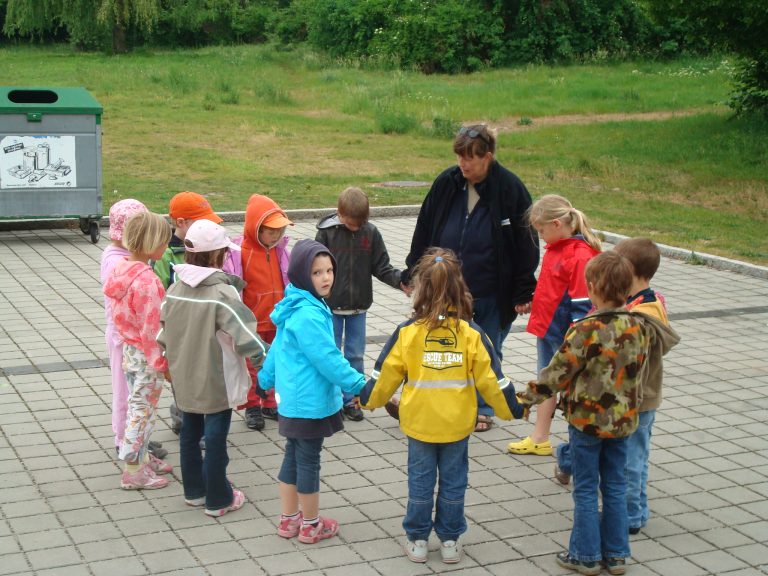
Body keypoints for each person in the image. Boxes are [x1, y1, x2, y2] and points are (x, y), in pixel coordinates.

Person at [360, 248, 527, 564]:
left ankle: (418, 540)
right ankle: (449, 541)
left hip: (420, 426)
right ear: (460, 288)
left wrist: (368, 400)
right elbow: (494, 380)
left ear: (420, 288)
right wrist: (513, 410)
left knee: (420, 486)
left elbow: (384, 375)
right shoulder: (471, 334)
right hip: (457, 427)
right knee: (453, 485)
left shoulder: (407, 333)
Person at [516, 251, 651, 576]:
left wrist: (526, 398)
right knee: (616, 485)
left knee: (587, 488)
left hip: (587, 422)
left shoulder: (585, 329)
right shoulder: (639, 327)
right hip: (623, 422)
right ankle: (617, 555)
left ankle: (585, 555)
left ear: (592, 288)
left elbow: (557, 373)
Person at [401, 124, 539, 432]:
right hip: (444, 287)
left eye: (471, 158)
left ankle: (483, 407)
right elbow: (424, 225)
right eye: (460, 156)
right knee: (438, 344)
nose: (463, 164)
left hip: (492, 290)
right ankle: (437, 401)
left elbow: (526, 242)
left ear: (488, 157)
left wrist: (523, 289)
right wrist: (414, 271)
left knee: (487, 349)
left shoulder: (510, 189)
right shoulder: (447, 183)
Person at [553, 238, 680, 538]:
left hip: (635, 400)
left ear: (630, 271)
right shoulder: (645, 303)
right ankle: (629, 506)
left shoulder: (641, 316)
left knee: (630, 462)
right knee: (629, 457)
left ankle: (630, 516)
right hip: (631, 399)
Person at [158, 220, 269, 517]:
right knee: (217, 436)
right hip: (214, 376)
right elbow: (246, 335)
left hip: (184, 375)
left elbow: (162, 332)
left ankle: (194, 491)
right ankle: (219, 497)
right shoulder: (222, 293)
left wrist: (165, 361)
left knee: (190, 433)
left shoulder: (175, 289)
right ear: (218, 255)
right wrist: (268, 365)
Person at [258, 239, 366, 544]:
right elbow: (328, 359)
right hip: (309, 402)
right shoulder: (308, 314)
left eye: (329, 270)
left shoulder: (295, 304)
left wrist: (265, 379)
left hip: (292, 402)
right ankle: (310, 525)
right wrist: (359, 385)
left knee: (293, 457)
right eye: (317, 272)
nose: (326, 277)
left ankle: (288, 521)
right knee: (308, 461)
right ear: (303, 275)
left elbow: (277, 350)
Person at [508, 194, 601, 456]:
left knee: (571, 390)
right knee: (545, 382)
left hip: (565, 337)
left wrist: (575, 342)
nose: (541, 236)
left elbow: (583, 305)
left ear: (558, 224)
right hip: (548, 330)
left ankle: (579, 447)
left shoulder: (581, 256)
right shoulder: (557, 249)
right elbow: (552, 289)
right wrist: (533, 302)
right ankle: (540, 437)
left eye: (541, 230)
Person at [153, 191, 238, 433]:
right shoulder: (166, 254)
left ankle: (192, 422)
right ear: (181, 223)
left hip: (203, 322)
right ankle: (184, 419)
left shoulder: (207, 244)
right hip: (180, 323)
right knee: (185, 376)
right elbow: (160, 290)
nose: (207, 225)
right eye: (201, 220)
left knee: (200, 374)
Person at [315, 186, 402, 421]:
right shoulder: (326, 233)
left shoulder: (370, 233)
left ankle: (352, 399)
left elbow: (382, 266)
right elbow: (315, 268)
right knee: (330, 354)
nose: (356, 228)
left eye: (360, 223)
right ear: (339, 214)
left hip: (358, 306)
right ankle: (330, 401)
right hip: (330, 306)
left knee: (355, 354)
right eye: (352, 223)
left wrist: (401, 282)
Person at [103, 211, 174, 490]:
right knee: (142, 411)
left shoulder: (121, 268)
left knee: (138, 405)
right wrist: (162, 363)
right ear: (150, 244)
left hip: (130, 350)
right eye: (163, 242)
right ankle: (133, 468)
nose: (166, 247)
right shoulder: (147, 282)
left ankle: (142, 457)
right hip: (147, 355)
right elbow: (152, 328)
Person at [239, 194, 292, 431]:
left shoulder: (281, 251)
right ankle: (252, 405)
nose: (276, 236)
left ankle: (270, 402)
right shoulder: (241, 253)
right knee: (252, 367)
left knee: (275, 361)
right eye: (271, 231)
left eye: (279, 231)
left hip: (276, 319)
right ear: (256, 228)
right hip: (252, 323)